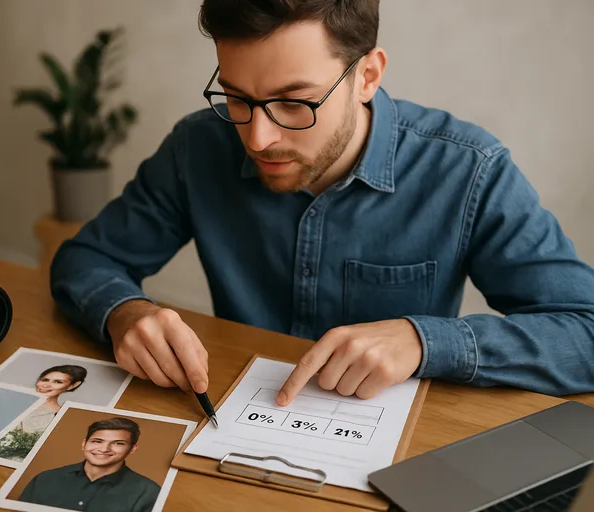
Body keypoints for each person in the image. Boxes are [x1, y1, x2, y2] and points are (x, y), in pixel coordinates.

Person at [49, 0, 594, 403]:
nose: (258, 137)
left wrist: (425, 341)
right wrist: (125, 312)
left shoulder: (469, 170)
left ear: (367, 76)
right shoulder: (198, 146)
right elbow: (86, 258)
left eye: (294, 102)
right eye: (237, 98)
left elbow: (585, 330)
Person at [18, 417, 161, 512]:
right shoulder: (46, 479)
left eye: (118, 443)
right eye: (97, 441)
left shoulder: (148, 492)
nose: (104, 449)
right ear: (84, 444)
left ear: (132, 449)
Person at [0, 364, 87, 461]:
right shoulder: (11, 403)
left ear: (72, 385)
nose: (46, 385)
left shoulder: (60, 417)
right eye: (45, 380)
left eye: (58, 382)